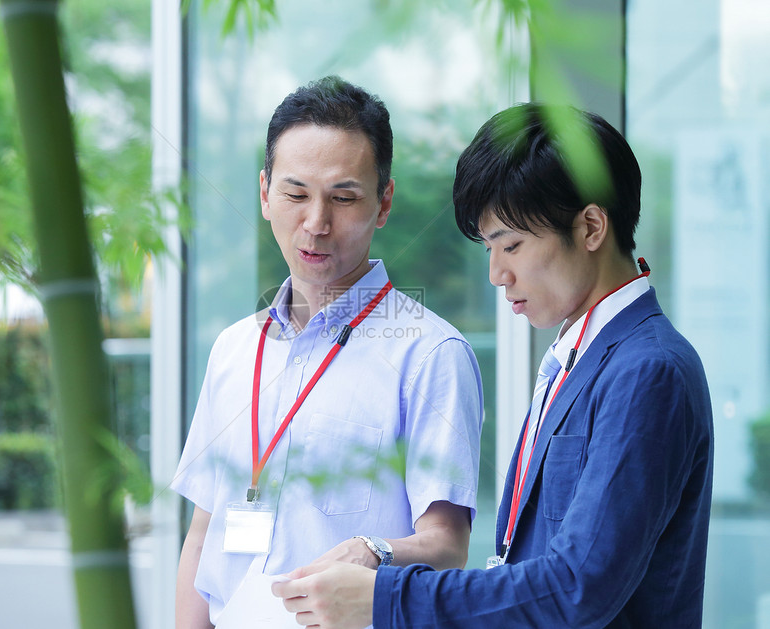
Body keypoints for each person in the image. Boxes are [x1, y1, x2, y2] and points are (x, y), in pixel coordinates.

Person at [273, 102, 714, 628]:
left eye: (512, 245)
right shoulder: (582, 356)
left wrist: (382, 598)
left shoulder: (647, 371)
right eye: (488, 248)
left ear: (592, 226)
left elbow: (578, 586)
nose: (496, 274)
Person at [171, 75, 484, 628]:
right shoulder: (233, 349)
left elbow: (447, 546)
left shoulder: (431, 354)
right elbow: (202, 536)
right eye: (295, 195)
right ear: (264, 193)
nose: (316, 224)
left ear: (383, 203)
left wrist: (372, 550)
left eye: (343, 198)